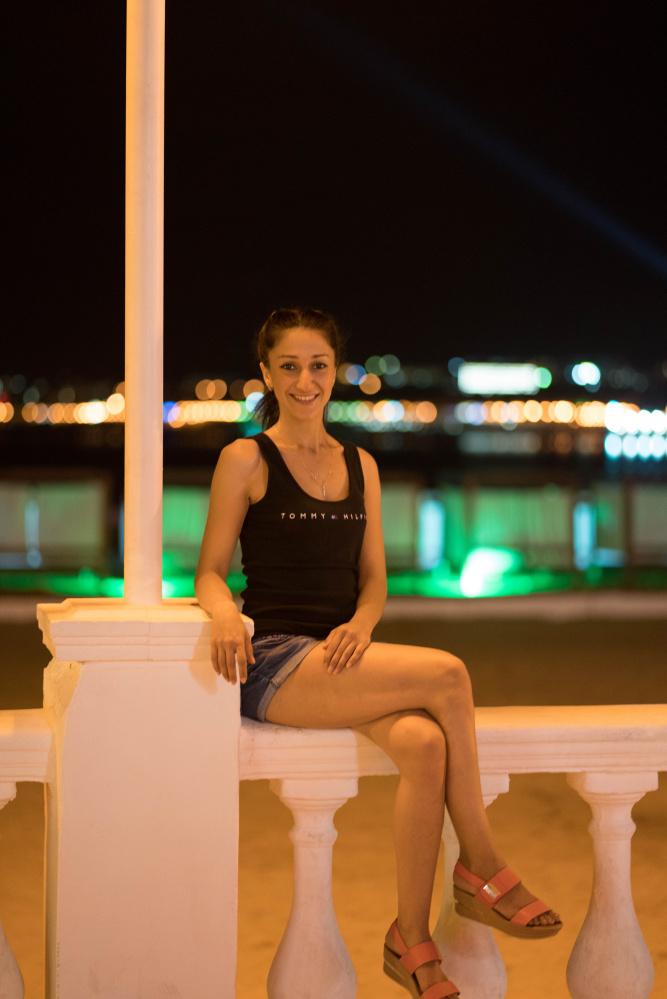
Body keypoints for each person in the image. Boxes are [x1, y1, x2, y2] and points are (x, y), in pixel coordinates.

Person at [195, 307, 561, 999]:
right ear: (267, 373)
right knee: (448, 673)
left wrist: (363, 624)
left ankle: (409, 938)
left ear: (335, 371)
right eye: (289, 366)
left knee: (425, 744)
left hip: (341, 656)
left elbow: (373, 579)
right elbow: (209, 570)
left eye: (318, 365)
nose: (305, 380)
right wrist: (222, 615)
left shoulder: (359, 464)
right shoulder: (245, 458)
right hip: (274, 660)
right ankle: (482, 864)